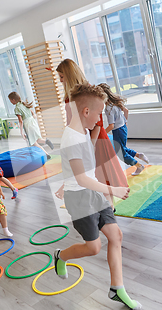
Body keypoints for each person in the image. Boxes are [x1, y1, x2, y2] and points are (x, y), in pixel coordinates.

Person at [55, 83, 141, 310]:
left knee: (116, 236)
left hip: (95, 194)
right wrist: (114, 190)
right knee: (93, 248)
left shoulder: (82, 130)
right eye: (99, 112)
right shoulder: (71, 138)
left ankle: (117, 289)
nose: (100, 118)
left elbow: (84, 165)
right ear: (85, 112)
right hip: (81, 199)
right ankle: (61, 256)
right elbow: (82, 179)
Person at [56, 59, 128, 205]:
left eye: (62, 77)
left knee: (102, 178)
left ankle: (109, 214)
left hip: (94, 141)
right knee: (89, 179)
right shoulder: (69, 96)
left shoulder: (87, 92)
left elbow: (97, 125)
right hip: (82, 140)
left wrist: (90, 146)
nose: (60, 81)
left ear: (69, 75)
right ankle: (104, 214)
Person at [98, 83, 149, 176]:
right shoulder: (115, 102)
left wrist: (102, 133)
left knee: (121, 154)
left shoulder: (108, 109)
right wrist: (125, 123)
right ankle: (138, 155)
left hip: (117, 131)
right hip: (123, 128)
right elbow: (126, 110)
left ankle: (139, 166)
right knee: (122, 148)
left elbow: (111, 126)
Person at [7, 91, 54, 157]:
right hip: (33, 122)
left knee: (33, 143)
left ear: (13, 100)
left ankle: (46, 154)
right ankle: (46, 141)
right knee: (36, 139)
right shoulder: (24, 104)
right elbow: (32, 113)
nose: (10, 102)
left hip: (28, 124)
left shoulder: (17, 108)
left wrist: (22, 133)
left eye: (10, 100)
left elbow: (21, 121)